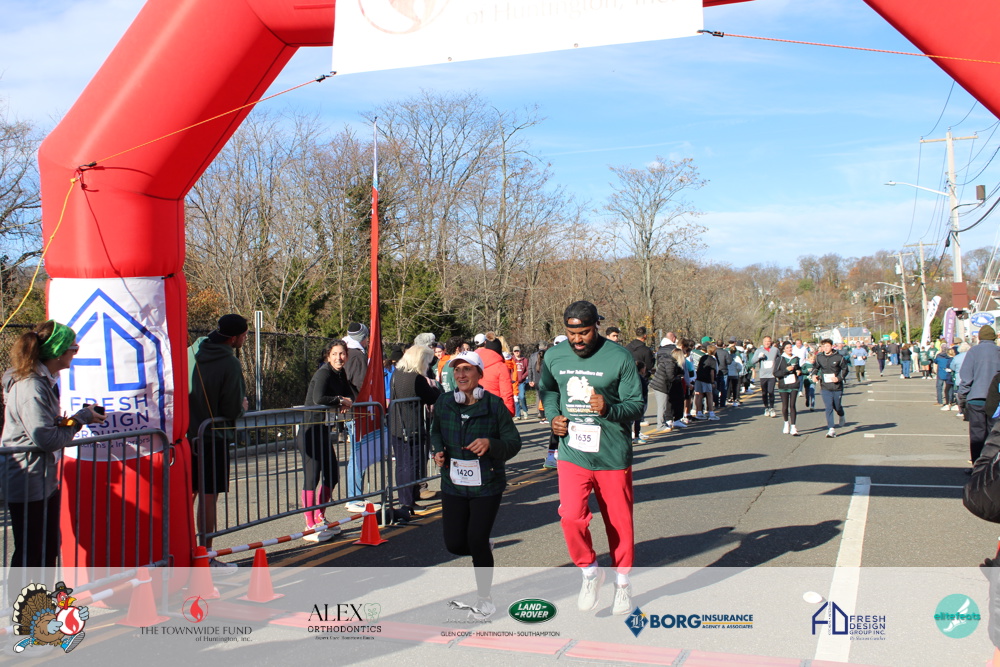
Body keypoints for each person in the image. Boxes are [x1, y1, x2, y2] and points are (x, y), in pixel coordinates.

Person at [541, 301, 644, 616]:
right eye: (571, 333)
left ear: (595, 326)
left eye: (583, 332)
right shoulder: (554, 356)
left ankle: (622, 582)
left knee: (619, 522)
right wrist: (554, 416)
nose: (577, 340)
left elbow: (636, 404)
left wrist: (609, 409)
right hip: (573, 452)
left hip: (611, 454)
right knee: (571, 516)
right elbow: (549, 391)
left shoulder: (619, 356)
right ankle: (589, 571)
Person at [0, 321, 104, 572]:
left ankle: (42, 597)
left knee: (47, 547)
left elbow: (44, 427)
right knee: (31, 552)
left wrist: (68, 421)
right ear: (58, 352)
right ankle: (24, 598)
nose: (75, 354)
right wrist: (81, 419)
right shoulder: (31, 386)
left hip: (41, 476)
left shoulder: (43, 380)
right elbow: (45, 439)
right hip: (27, 478)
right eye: (74, 349)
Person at [431, 352, 521, 619]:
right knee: (454, 544)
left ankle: (485, 598)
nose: (461, 375)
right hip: (453, 483)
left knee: (476, 540)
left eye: (467, 369)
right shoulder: (445, 402)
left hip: (487, 484)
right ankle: (482, 547)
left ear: (479, 374)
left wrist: (491, 444)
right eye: (457, 370)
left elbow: (513, 443)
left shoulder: (493, 405)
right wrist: (438, 451)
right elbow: (435, 431)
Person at [189, 314, 249, 567]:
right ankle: (205, 555)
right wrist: (242, 407)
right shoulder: (229, 363)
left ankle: (183, 549)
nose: (245, 339)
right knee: (208, 496)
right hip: (213, 437)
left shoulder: (191, 351)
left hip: (185, 436)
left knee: (187, 494)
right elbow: (232, 407)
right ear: (234, 338)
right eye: (244, 335)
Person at [298, 339, 354, 542]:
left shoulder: (340, 373)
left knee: (332, 475)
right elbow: (318, 398)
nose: (339, 358)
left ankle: (320, 516)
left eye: (342, 354)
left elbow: (349, 393)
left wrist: (347, 400)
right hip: (310, 431)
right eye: (335, 354)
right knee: (312, 477)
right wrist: (340, 400)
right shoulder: (323, 373)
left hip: (323, 430)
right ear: (328, 356)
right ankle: (309, 524)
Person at [390, 345, 442, 515]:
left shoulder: (397, 373)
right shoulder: (416, 378)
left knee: (402, 465)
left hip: (397, 426)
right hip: (412, 427)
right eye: (427, 361)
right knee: (412, 464)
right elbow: (432, 397)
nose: (428, 365)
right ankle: (408, 502)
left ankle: (406, 500)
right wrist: (435, 387)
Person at [957, 325, 1000, 466]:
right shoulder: (998, 351)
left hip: (976, 398)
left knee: (977, 435)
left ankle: (977, 466)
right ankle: (992, 466)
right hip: (996, 400)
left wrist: (962, 397)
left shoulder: (973, 351)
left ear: (980, 337)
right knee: (994, 435)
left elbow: (966, 377)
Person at [813, 338, 849, 438]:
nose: (825, 348)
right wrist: (814, 375)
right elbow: (815, 368)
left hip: (837, 386)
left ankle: (841, 414)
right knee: (828, 407)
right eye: (823, 346)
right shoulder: (819, 357)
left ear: (832, 346)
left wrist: (839, 378)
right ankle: (831, 429)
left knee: (837, 406)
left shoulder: (839, 357)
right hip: (825, 386)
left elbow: (845, 369)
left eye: (827, 346)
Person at [477, 335, 515, 415]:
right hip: (496, 408)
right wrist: (509, 413)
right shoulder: (501, 367)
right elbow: (506, 393)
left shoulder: (475, 363)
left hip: (478, 407)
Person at [774, 341, 801, 436]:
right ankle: (786, 423)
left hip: (794, 384)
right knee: (785, 406)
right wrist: (786, 370)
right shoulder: (780, 359)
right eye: (787, 348)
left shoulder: (796, 358)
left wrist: (799, 371)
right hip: (783, 385)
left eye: (790, 347)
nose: (790, 349)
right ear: (784, 349)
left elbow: (799, 368)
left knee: (792, 405)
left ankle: (793, 426)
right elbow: (776, 373)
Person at [750, 336, 779, 417]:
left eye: (768, 341)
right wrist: (759, 357)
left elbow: (779, 359)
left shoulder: (775, 350)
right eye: (765, 341)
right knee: (764, 392)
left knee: (771, 391)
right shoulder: (759, 350)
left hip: (772, 375)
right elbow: (752, 361)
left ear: (771, 342)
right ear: (763, 342)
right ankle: (766, 408)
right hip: (763, 375)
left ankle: (772, 408)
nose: (767, 343)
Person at [695, 343, 719, 420]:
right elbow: (712, 372)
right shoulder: (713, 360)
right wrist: (712, 382)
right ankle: (711, 413)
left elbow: (699, 367)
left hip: (699, 377)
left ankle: (699, 413)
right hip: (707, 379)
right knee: (709, 395)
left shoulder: (703, 357)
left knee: (699, 395)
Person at [512, 345, 530, 420]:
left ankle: (525, 411)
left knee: (522, 397)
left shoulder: (525, 360)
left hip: (522, 382)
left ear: (520, 351)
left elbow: (528, 370)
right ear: (513, 352)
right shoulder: (511, 360)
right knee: (516, 399)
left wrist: (523, 377)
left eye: (518, 351)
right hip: (514, 382)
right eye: (515, 351)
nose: (517, 352)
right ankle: (518, 415)